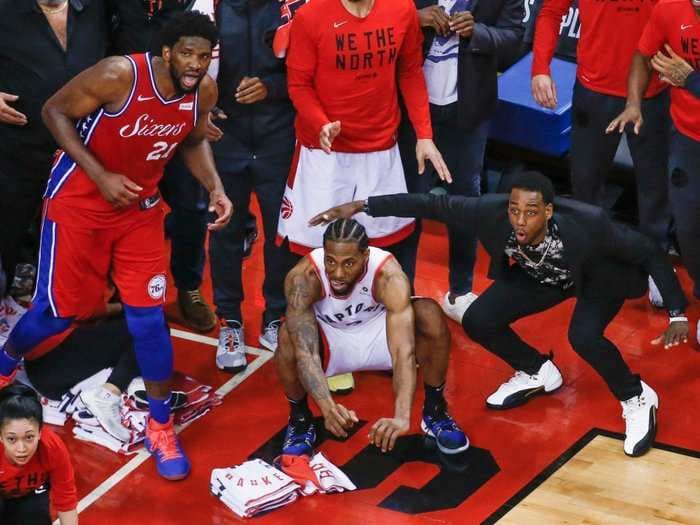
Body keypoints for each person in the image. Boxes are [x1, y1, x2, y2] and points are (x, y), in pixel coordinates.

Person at [0, 12, 233, 481]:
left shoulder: (202, 91)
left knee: (148, 317)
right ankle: (5, 366)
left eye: (203, 56)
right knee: (57, 312)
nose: (194, 64)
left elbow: (190, 140)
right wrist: (99, 173)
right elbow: (53, 111)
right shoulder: (118, 74)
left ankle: (161, 425)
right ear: (166, 52)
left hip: (139, 208)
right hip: (80, 201)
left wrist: (216, 188)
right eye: (186, 54)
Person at [313, 172, 689, 457]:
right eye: (514, 210)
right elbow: (431, 205)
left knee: (584, 337)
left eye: (529, 212)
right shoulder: (489, 213)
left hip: (596, 276)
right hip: (542, 276)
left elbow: (647, 250)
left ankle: (637, 397)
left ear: (548, 211)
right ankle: (538, 370)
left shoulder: (589, 225)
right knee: (478, 319)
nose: (519, 220)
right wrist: (363, 206)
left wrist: (676, 313)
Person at [275, 0, 451, 260]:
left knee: (382, 255)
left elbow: (410, 72)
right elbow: (299, 85)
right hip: (324, 153)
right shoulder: (310, 16)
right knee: (314, 256)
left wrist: (424, 135)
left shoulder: (402, 9)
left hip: (381, 150)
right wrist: (320, 122)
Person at [276, 219, 468, 456]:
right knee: (287, 336)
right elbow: (306, 352)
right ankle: (300, 420)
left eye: (349, 264)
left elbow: (403, 352)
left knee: (429, 313)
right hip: (331, 338)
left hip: (380, 333)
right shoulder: (303, 278)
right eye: (330, 261)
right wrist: (327, 407)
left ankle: (435, 412)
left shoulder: (388, 275)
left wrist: (401, 417)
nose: (337, 273)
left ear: (365, 257)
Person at [398, 0, 524, 322]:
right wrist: (416, 18)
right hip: (414, 108)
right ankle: (403, 292)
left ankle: (460, 291)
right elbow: (378, 16)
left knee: (465, 202)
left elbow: (514, 37)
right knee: (411, 202)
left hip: (467, 112)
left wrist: (477, 31)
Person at [531, 0, 673, 259]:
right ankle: (587, 259)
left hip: (651, 94)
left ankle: (657, 264)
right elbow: (551, 12)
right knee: (586, 185)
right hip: (594, 90)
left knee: (655, 188)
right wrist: (540, 68)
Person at [0, 0, 111, 299]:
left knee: (75, 239)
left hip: (83, 151)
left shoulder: (96, 8)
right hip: (17, 147)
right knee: (7, 231)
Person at [210, 0, 298, 369]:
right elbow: (185, 62)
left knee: (281, 232)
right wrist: (202, 106)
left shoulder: (294, 6)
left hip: (277, 135)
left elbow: (311, 69)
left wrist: (271, 87)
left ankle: (275, 316)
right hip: (224, 137)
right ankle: (229, 320)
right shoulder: (210, 6)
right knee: (226, 230)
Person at [607, 0, 700, 339]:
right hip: (687, 137)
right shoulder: (670, 8)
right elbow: (642, 55)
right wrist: (634, 103)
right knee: (688, 226)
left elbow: (688, 78)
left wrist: (691, 80)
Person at [0, 384, 78, 525]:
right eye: (11, 439)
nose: (21, 448)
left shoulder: (52, 447)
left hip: (29, 496)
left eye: (29, 437)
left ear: (40, 432)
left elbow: (66, 498)